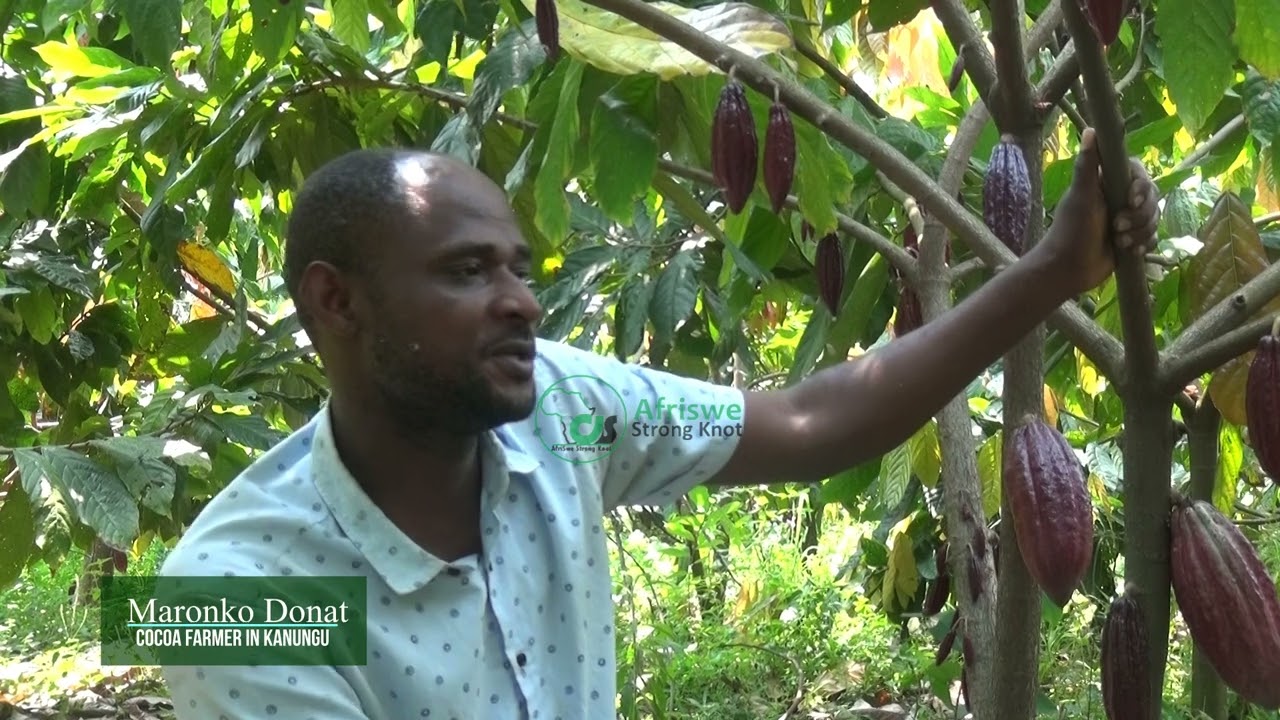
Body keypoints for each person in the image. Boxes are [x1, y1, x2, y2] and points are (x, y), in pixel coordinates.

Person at [156, 126, 1159, 719]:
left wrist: (1051, 274)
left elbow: (810, 419)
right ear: (335, 303)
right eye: (467, 271)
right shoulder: (230, 594)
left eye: (518, 267)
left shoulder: (564, 421)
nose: (521, 303)